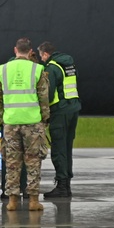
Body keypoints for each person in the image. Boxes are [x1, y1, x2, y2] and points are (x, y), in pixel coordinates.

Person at [0, 38, 51, 211]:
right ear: (30, 51)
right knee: (33, 161)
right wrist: (44, 119)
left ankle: (12, 201)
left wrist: (1, 119)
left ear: (15, 50)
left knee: (12, 162)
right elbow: (44, 98)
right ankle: (33, 200)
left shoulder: (2, 70)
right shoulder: (37, 69)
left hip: (11, 122)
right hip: (32, 122)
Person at [38, 41, 81, 198]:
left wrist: (43, 112)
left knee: (59, 149)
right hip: (73, 109)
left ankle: (62, 185)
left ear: (45, 54)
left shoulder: (52, 68)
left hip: (60, 112)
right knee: (67, 148)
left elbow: (48, 95)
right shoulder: (69, 65)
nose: (42, 60)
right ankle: (66, 184)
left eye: (42, 56)